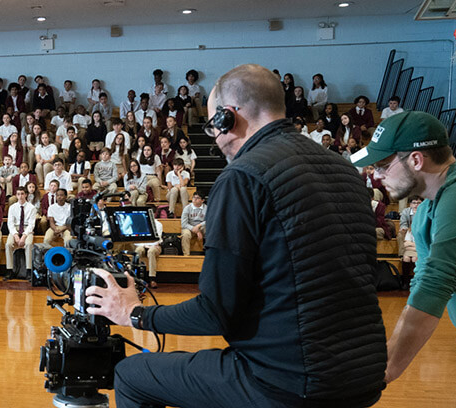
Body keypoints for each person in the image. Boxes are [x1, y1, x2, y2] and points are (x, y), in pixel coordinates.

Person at [84, 64, 386, 407]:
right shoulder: (343, 169)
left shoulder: (243, 176)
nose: (214, 137)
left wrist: (135, 314)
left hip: (290, 382)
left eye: (214, 124)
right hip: (363, 375)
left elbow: (215, 312)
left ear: (228, 117)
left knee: (132, 375)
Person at [348, 111, 456, 382]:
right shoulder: (427, 212)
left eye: (382, 165)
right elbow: (421, 286)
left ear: (416, 160)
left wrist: (377, 377)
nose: (377, 176)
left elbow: (435, 286)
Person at [5, 187, 36, 281]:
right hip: (16, 228)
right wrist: (15, 235)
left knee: (29, 244)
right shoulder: (12, 207)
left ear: (26, 195)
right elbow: (10, 223)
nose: (20, 196)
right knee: (8, 244)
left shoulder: (32, 208)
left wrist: (23, 236)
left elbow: (31, 224)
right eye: (18, 194)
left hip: (27, 229)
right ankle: (9, 270)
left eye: (22, 194)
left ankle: (28, 270)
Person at [179, 191, 207, 256]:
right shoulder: (187, 208)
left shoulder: (206, 208)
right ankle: (186, 255)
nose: (194, 199)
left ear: (202, 200)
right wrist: (196, 230)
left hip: (201, 227)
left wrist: (199, 226)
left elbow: (209, 220)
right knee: (185, 234)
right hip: (189, 227)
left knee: (209, 230)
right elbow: (184, 224)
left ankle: (208, 252)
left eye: (197, 198)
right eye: (194, 197)